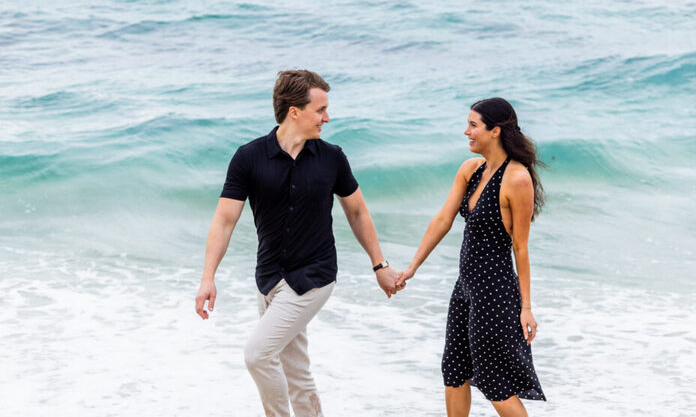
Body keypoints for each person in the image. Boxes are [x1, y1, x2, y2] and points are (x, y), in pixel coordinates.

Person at [195, 69, 402, 417]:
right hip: (269, 277)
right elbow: (224, 220)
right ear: (294, 111)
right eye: (320, 110)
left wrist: (380, 265)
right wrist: (207, 277)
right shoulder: (249, 157)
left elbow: (357, 213)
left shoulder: (332, 157)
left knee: (257, 355)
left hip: (314, 275)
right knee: (296, 371)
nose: (327, 117)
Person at [396, 97, 546, 417]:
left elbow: (520, 247)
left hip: (495, 292)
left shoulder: (516, 178)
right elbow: (443, 219)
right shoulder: (471, 170)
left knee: (495, 383)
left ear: (495, 131)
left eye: (473, 125)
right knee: (454, 371)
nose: (466, 131)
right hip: (466, 287)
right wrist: (412, 267)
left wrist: (526, 307)